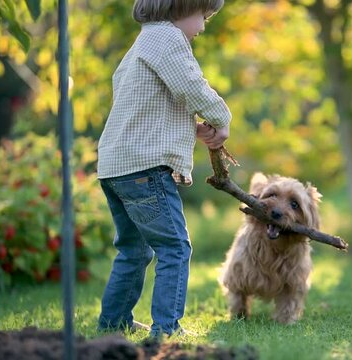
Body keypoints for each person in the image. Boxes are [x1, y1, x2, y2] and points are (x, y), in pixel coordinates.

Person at [96, 0, 230, 338]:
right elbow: (191, 85)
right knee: (175, 247)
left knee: (135, 249)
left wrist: (190, 129)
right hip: (145, 169)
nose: (202, 27)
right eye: (203, 16)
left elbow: (148, 104)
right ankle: (167, 329)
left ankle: (113, 323)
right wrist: (221, 119)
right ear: (181, 7)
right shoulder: (168, 38)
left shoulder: (143, 42)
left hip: (116, 166)